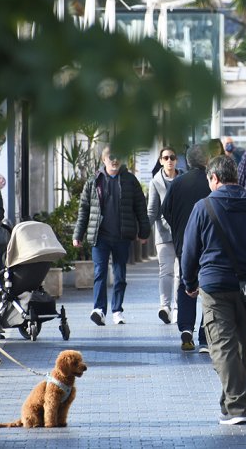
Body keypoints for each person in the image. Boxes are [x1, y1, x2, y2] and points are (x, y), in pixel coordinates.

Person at [181, 155, 246, 425]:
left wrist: (189, 282)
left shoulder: (203, 207)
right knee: (241, 348)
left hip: (215, 285)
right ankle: (229, 402)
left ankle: (236, 408)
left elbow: (189, 250)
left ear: (214, 178)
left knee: (223, 347)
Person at [74, 147, 150, 325]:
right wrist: (78, 234)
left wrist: (144, 232)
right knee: (100, 272)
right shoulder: (94, 181)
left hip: (122, 236)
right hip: (100, 236)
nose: (114, 160)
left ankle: (117, 310)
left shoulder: (130, 181)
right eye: (110, 157)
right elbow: (84, 210)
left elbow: (140, 207)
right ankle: (99, 309)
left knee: (120, 275)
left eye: (118, 157)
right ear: (104, 160)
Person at [161, 144, 211, 352]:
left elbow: (165, 210)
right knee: (207, 285)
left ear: (187, 162)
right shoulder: (212, 182)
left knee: (185, 281)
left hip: (184, 242)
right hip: (208, 242)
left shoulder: (178, 182)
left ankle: (186, 328)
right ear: (207, 160)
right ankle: (204, 334)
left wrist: (178, 228)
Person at [148, 146, 183, 324]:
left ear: (176, 160)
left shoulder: (183, 178)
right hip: (163, 232)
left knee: (179, 272)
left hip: (182, 232)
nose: (169, 160)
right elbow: (152, 209)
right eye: (165, 157)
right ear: (161, 161)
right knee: (166, 271)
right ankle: (165, 306)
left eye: (172, 157)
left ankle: (177, 308)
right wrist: (145, 230)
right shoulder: (155, 181)